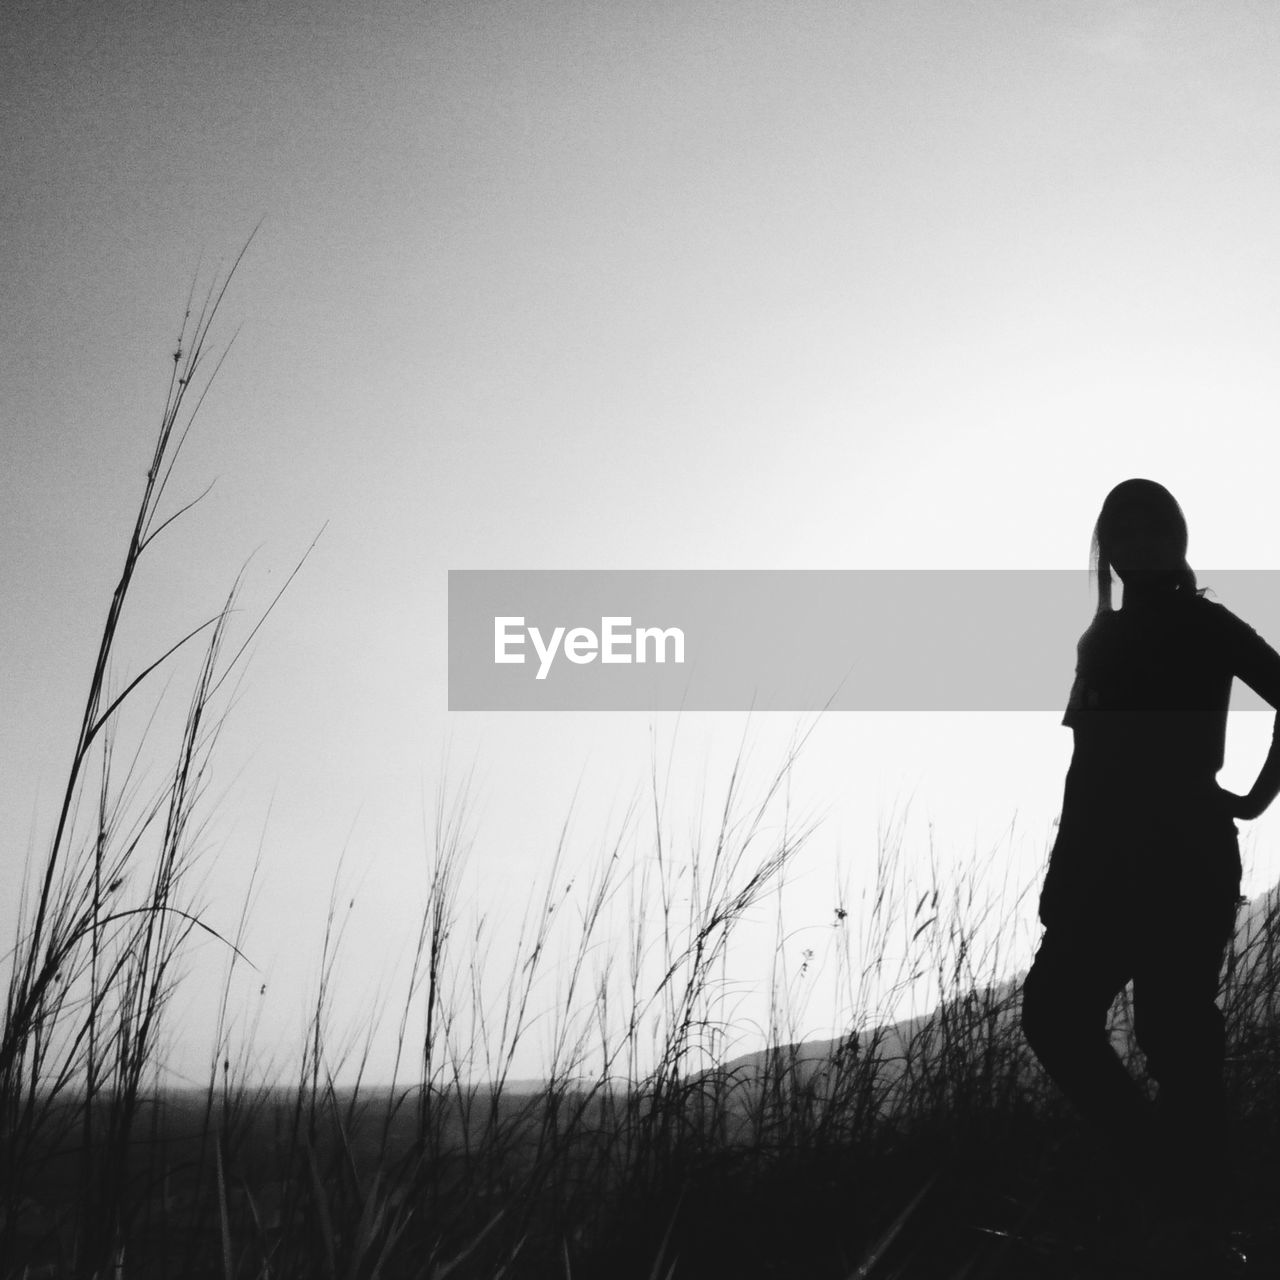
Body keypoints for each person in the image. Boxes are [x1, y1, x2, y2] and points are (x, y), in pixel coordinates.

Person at [1021, 478, 1280, 1267]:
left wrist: (1258, 797)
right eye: (1120, 524)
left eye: (1151, 521)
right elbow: (1083, 766)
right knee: (1054, 1015)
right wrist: (1061, 877)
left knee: (1175, 1038)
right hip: (1100, 864)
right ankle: (1175, 1185)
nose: (1135, 535)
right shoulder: (1099, 639)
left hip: (1183, 857)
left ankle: (1200, 1225)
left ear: (1177, 537)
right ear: (1106, 543)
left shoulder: (1206, 625)